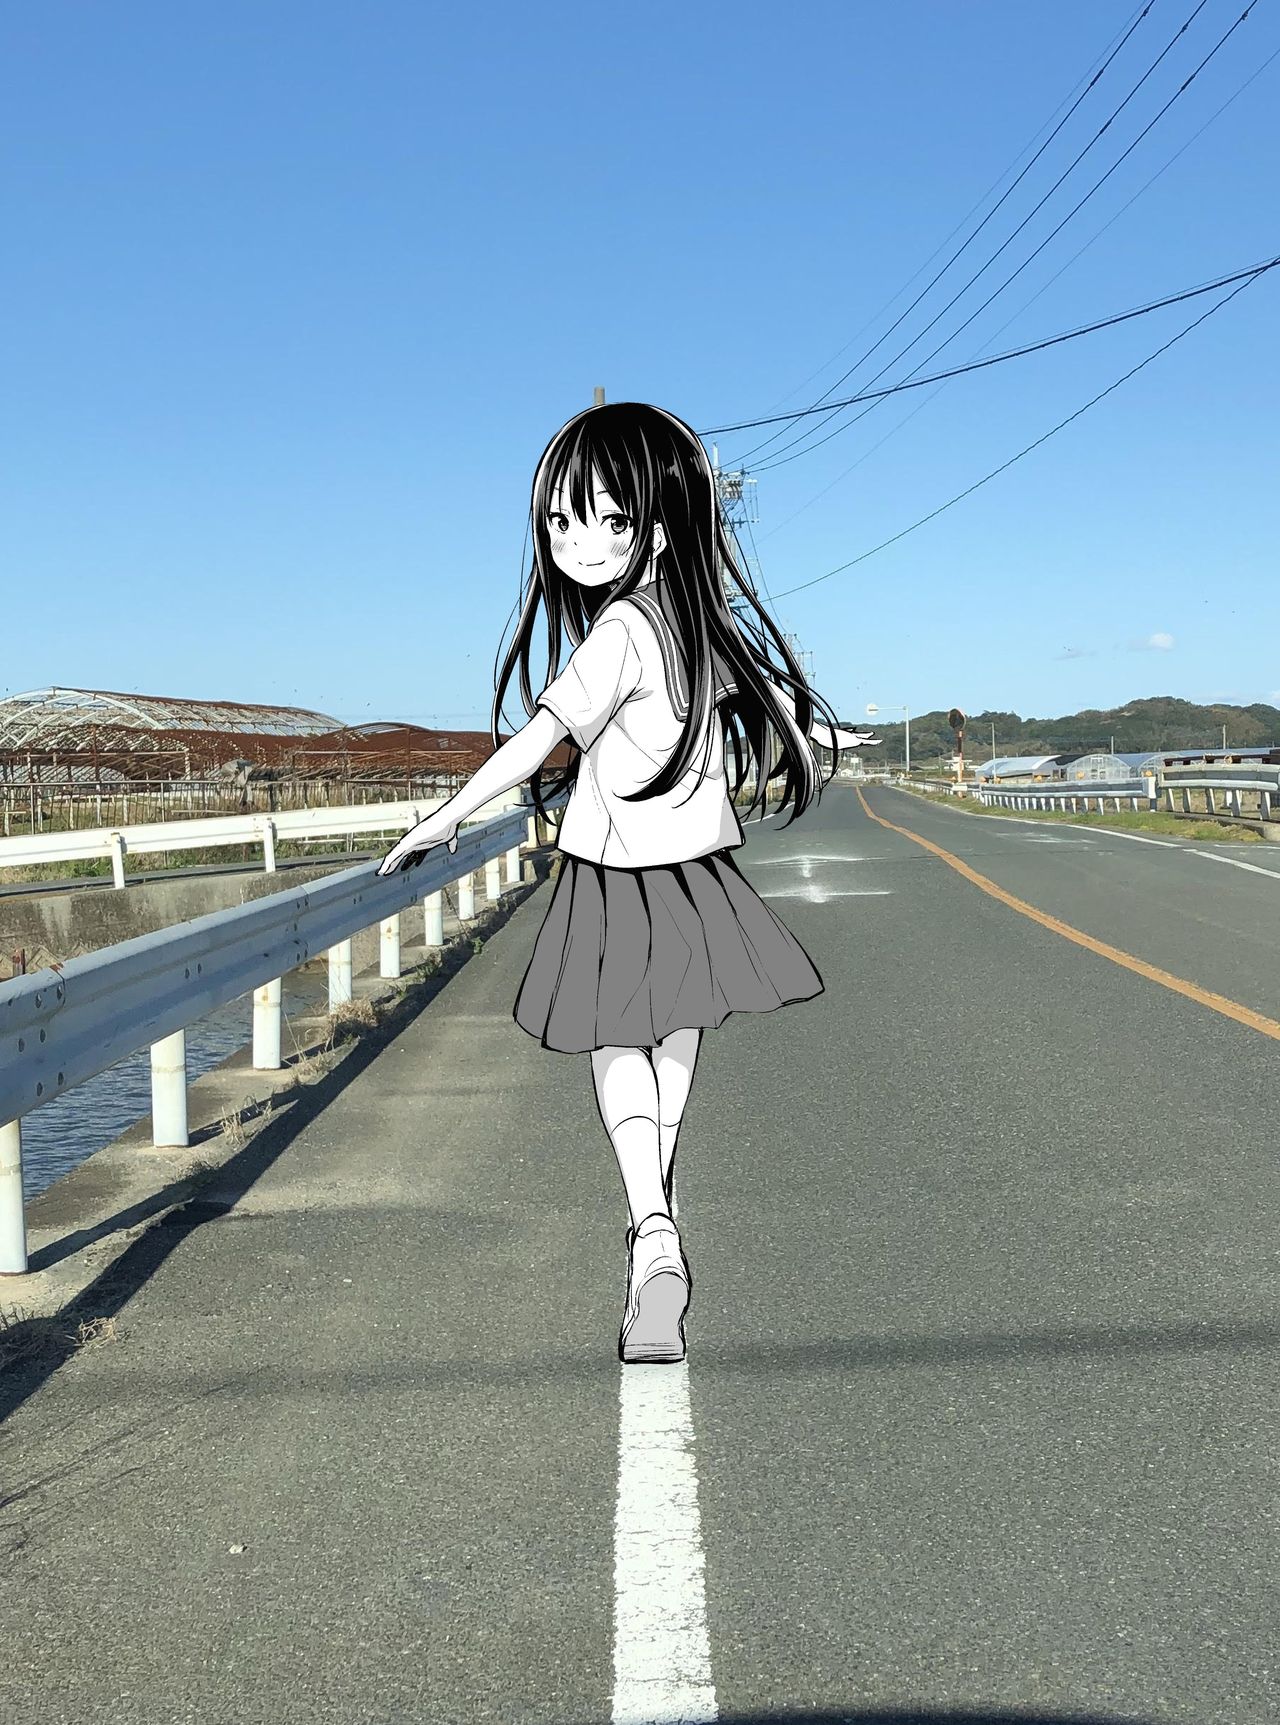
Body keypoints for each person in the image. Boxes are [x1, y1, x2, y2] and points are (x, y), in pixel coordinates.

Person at [378, 402, 880, 1364]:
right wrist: (833, 739)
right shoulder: (697, 623)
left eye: (607, 519)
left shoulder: (616, 633)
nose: (577, 543)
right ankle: (658, 1220)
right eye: (561, 521)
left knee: (617, 1043)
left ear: (655, 525)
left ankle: (653, 1229)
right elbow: (777, 709)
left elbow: (536, 742)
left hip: (613, 875)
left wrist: (445, 816)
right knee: (676, 1033)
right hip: (698, 872)